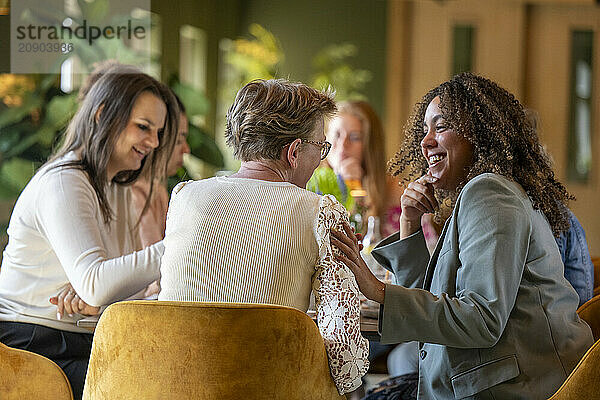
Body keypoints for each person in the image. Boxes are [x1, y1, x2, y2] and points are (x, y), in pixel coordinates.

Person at [331, 72, 593, 399]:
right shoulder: (479, 193)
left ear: (478, 135)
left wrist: (379, 291)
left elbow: (482, 319)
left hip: (519, 388)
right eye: (424, 130)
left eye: (440, 127)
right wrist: (411, 224)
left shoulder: (489, 193)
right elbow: (428, 313)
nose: (425, 142)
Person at [158, 79, 369, 395]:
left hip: (175, 387)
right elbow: (345, 363)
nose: (321, 159)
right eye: (321, 147)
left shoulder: (185, 196)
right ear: (294, 152)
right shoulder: (319, 210)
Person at [0, 66, 178, 399]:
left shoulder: (117, 185)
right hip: (28, 343)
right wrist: (181, 245)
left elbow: (111, 288)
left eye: (158, 132)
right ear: (101, 115)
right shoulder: (64, 181)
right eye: (143, 127)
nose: (153, 143)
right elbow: (99, 285)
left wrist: (98, 291)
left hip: (79, 338)